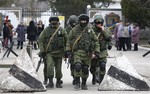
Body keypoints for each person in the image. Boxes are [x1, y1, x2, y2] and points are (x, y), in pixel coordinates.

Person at [66, 14, 100, 90]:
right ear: (79, 21)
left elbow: (96, 41)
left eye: (85, 20)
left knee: (85, 68)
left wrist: (97, 51)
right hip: (77, 52)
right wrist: (68, 50)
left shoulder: (90, 30)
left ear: (87, 21)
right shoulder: (74, 30)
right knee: (77, 66)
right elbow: (69, 41)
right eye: (82, 20)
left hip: (87, 53)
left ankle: (84, 84)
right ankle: (77, 83)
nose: (83, 22)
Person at [38, 16, 68, 88]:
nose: (54, 24)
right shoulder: (46, 30)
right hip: (50, 52)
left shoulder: (61, 30)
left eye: (55, 23)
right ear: (50, 22)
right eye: (53, 23)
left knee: (58, 68)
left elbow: (67, 40)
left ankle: (58, 81)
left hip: (59, 52)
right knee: (50, 66)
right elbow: (40, 40)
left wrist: (67, 51)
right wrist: (42, 50)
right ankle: (50, 82)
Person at [90, 15, 112, 85]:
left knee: (102, 65)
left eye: (100, 23)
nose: (98, 24)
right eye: (97, 23)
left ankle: (101, 80)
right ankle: (94, 75)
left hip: (103, 51)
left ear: (102, 23)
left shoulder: (105, 29)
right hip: (94, 51)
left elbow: (108, 38)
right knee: (93, 67)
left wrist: (103, 30)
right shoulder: (91, 30)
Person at [65, 15, 78, 85]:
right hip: (70, 49)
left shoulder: (79, 28)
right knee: (72, 64)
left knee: (78, 65)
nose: (74, 24)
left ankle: (77, 77)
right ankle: (74, 76)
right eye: (72, 23)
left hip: (78, 49)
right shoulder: (67, 29)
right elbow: (66, 40)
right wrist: (66, 51)